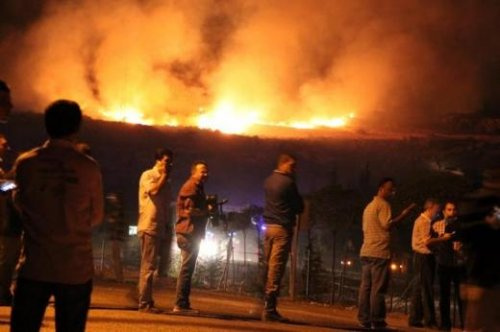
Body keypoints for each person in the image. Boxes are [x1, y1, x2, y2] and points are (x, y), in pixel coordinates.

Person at [10, 99, 104, 332]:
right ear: (76, 128)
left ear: (46, 124)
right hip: (74, 267)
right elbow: (96, 216)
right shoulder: (88, 167)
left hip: (35, 264)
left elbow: (19, 203)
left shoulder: (26, 163)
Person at [358, 178, 415, 329]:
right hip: (379, 251)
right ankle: (377, 320)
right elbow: (387, 225)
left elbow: (365, 228)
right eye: (390, 189)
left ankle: (364, 318)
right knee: (378, 289)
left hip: (366, 250)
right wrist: (404, 214)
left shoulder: (369, 207)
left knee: (366, 287)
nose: (392, 192)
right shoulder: (384, 205)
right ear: (381, 189)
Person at [261, 153, 304, 322]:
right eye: (292, 166)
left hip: (268, 227)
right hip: (282, 228)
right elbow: (299, 206)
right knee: (276, 267)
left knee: (267, 264)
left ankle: (264, 300)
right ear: (283, 164)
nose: (294, 169)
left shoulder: (268, 181)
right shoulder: (289, 183)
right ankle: (270, 308)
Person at [137, 148, 173, 313]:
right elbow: (153, 191)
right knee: (148, 266)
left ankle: (147, 300)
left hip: (159, 227)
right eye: (166, 161)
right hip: (149, 226)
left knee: (153, 266)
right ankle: (144, 303)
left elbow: (165, 205)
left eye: (170, 161)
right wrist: (164, 176)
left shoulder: (166, 181)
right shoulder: (148, 175)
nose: (168, 164)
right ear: (158, 160)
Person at [173, 161, 211, 314]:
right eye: (202, 171)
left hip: (191, 232)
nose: (205, 174)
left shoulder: (197, 188)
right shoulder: (191, 187)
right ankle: (180, 304)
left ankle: (183, 303)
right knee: (187, 269)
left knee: (188, 269)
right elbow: (189, 211)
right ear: (193, 172)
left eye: (207, 172)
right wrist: (206, 211)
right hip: (188, 232)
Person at [409, 198, 449, 328]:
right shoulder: (424, 222)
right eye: (436, 210)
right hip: (424, 257)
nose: (437, 213)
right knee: (426, 289)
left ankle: (415, 318)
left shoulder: (421, 221)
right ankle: (429, 320)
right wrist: (443, 238)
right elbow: (427, 242)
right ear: (429, 208)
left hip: (420, 257)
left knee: (419, 288)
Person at [430, 202, 464, 330]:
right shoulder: (437, 225)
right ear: (444, 211)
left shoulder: (461, 225)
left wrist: (462, 248)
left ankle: (464, 325)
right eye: (449, 210)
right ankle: (445, 325)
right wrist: (440, 242)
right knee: (444, 296)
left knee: (462, 297)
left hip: (459, 264)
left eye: (454, 209)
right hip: (444, 263)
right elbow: (428, 241)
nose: (452, 212)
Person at [0, 135, 22, 306]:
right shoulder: (9, 178)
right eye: (2, 146)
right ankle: (2, 293)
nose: (4, 150)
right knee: (7, 261)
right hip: (7, 225)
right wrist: (15, 184)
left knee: (8, 260)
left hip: (7, 223)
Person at [105, 193, 127, 283]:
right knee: (116, 258)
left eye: (113, 198)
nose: (111, 200)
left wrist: (109, 218)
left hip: (116, 238)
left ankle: (119, 279)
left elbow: (112, 220)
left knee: (116, 258)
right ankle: (119, 278)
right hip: (118, 238)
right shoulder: (120, 209)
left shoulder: (117, 209)